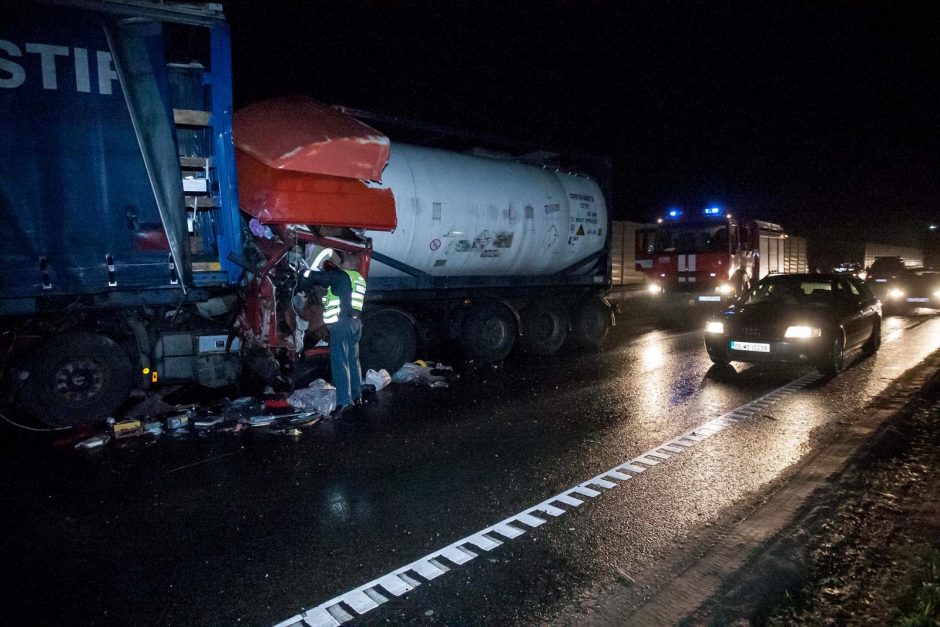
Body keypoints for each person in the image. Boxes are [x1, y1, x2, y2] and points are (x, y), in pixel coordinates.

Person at [299, 251, 367, 416]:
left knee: (339, 362)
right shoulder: (359, 279)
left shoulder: (341, 276)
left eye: (342, 262)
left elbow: (317, 277)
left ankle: (343, 402)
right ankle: (357, 396)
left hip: (342, 324)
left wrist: (303, 272)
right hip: (355, 324)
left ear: (349, 265)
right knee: (352, 360)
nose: (340, 265)